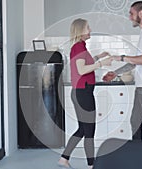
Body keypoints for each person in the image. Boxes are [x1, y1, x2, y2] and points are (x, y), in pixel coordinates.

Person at [103, 1, 142, 141]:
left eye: (132, 13)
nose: (130, 17)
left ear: (141, 13)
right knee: (137, 122)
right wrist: (116, 73)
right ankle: (139, 153)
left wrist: (120, 57)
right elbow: (137, 62)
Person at [58, 18, 112, 169]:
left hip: (81, 92)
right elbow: (82, 70)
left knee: (83, 128)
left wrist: (98, 57)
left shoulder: (80, 47)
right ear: (80, 30)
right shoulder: (79, 47)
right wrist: (102, 63)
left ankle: (64, 158)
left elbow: (83, 63)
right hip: (83, 93)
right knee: (89, 130)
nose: (90, 29)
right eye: (88, 27)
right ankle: (91, 165)